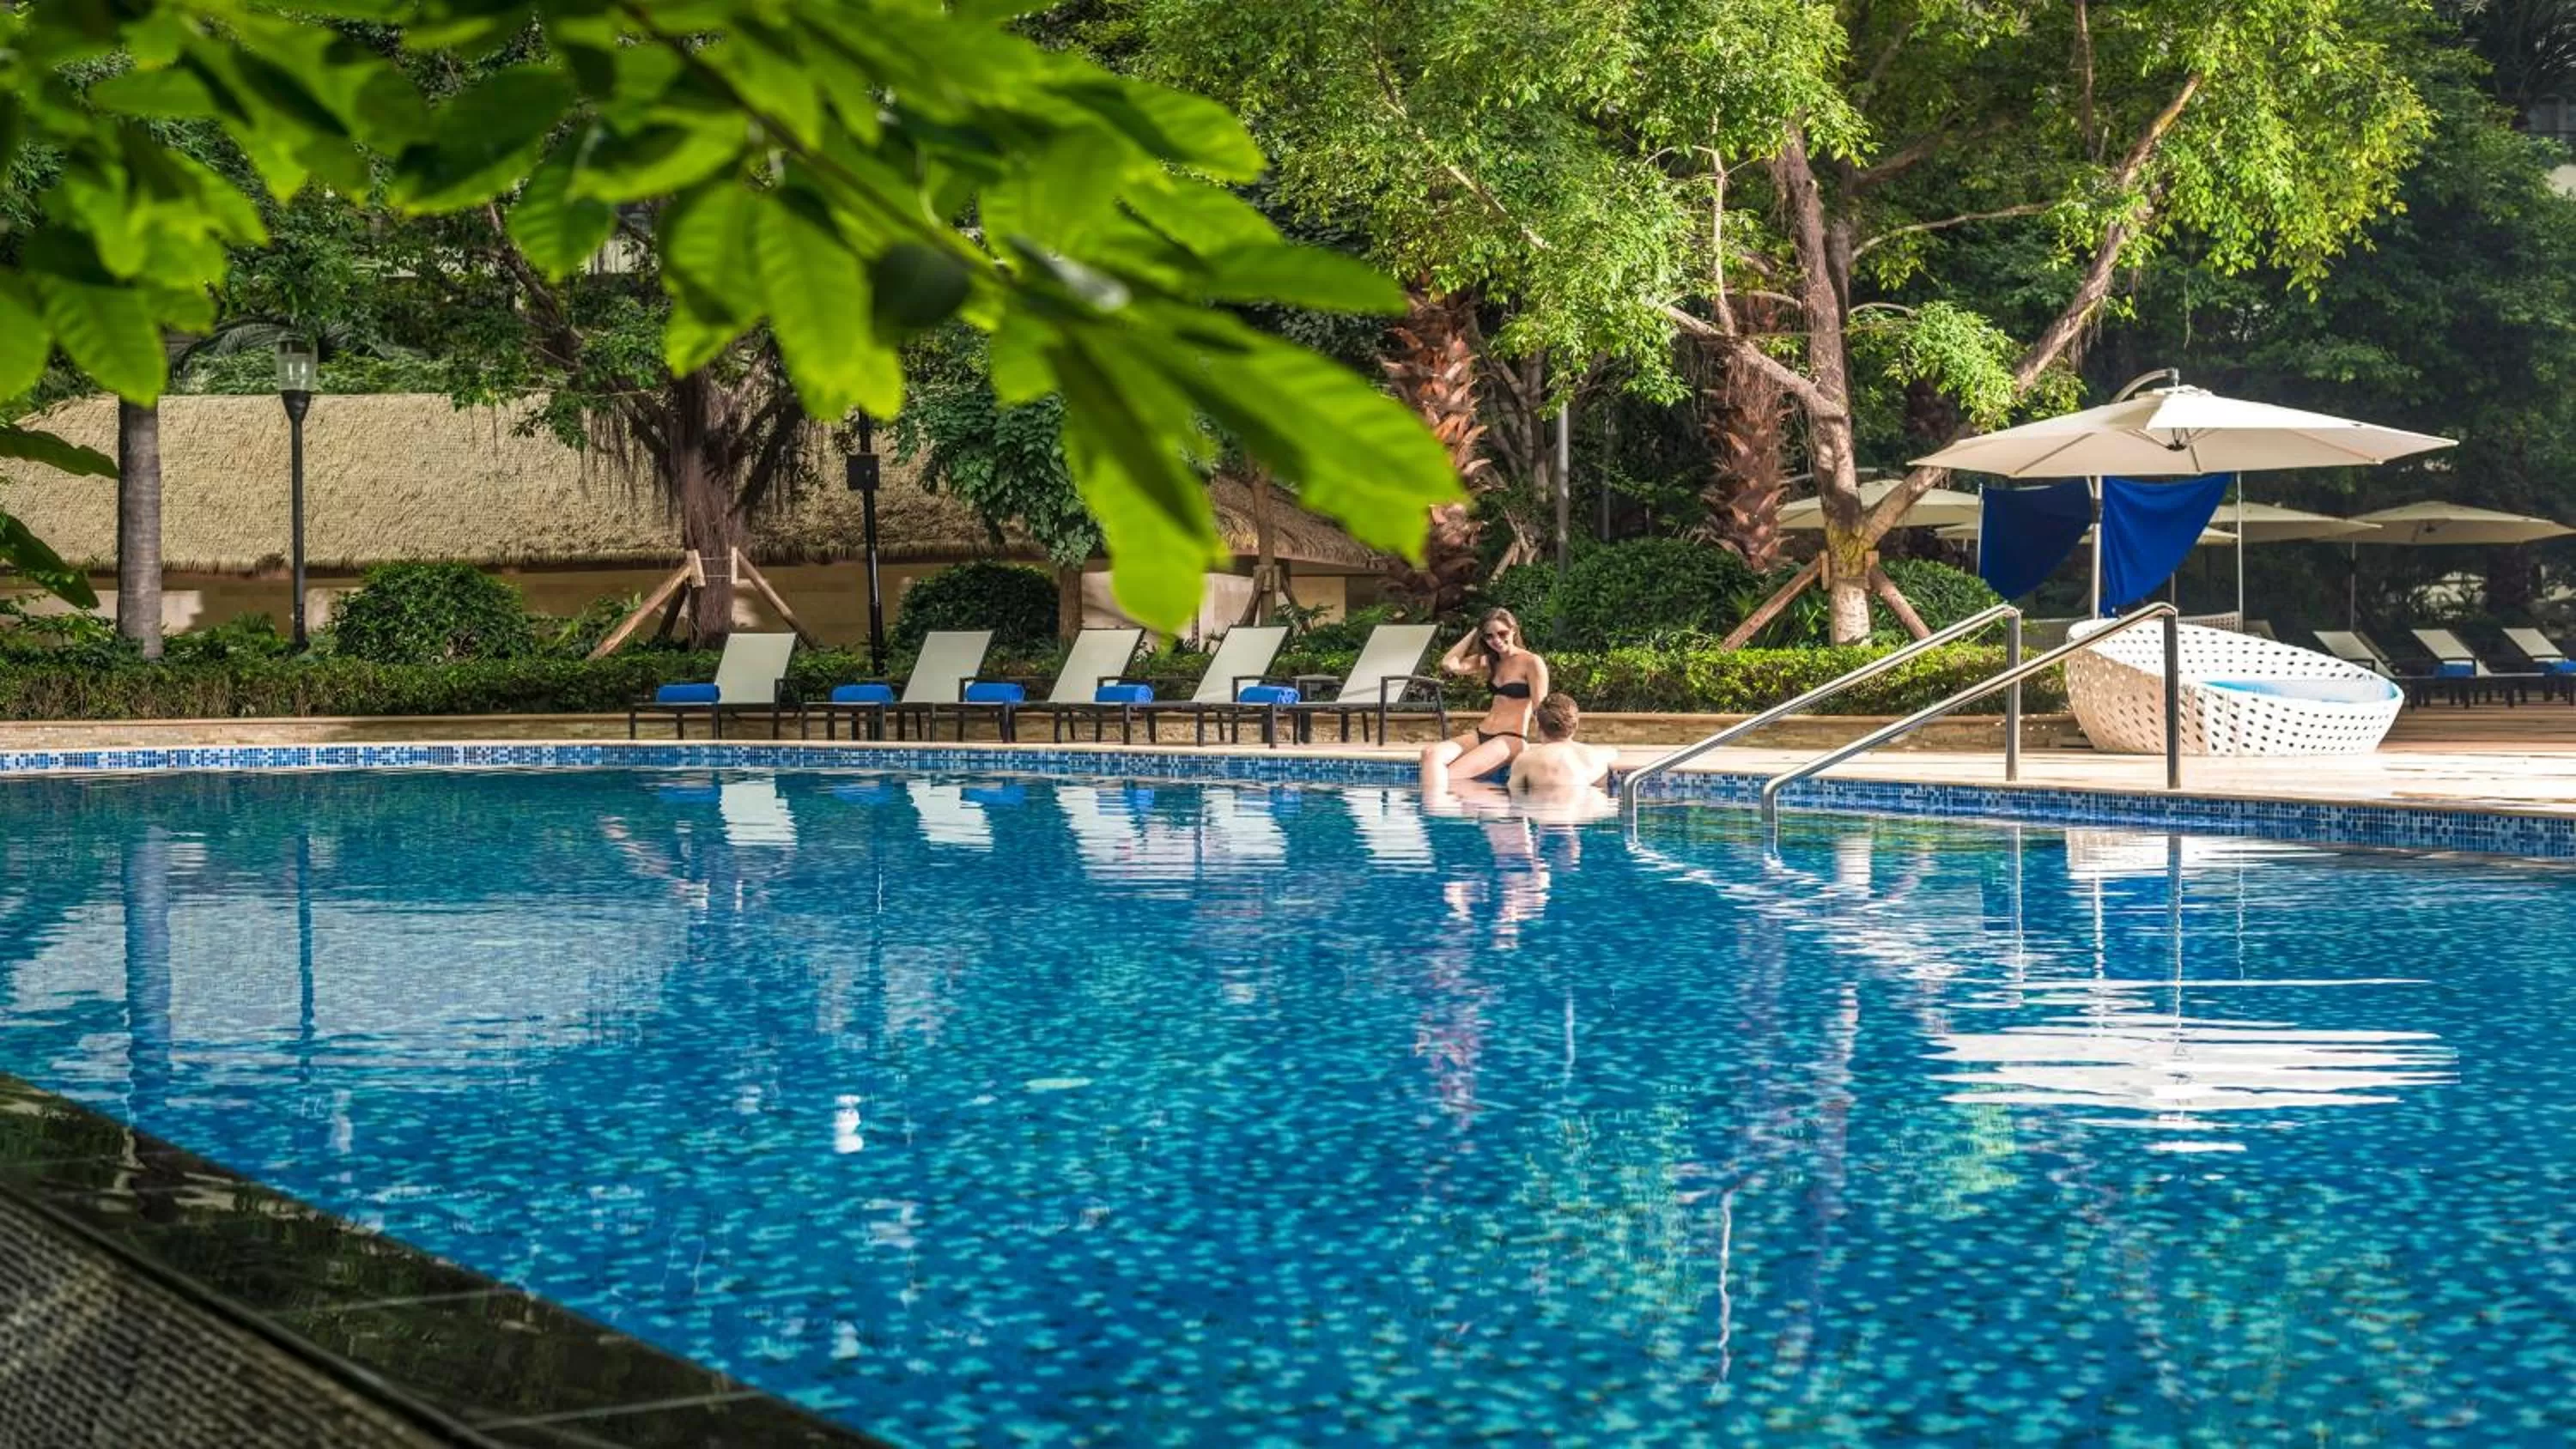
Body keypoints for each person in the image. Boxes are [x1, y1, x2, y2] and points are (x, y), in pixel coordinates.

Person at [1419, 609, 1546, 786]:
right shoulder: (1489, 660)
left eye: (1502, 633)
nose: (1497, 640)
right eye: (1489, 636)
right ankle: (1433, 811)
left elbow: (1540, 707)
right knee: (1430, 754)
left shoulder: (1531, 662)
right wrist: (1474, 632)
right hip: (1481, 734)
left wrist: (1547, 747)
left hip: (1510, 738)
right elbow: (1449, 664)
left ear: (1514, 630)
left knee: (1450, 777)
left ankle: (1439, 809)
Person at [1507, 693, 1619, 797]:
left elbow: (1515, 800)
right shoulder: (1600, 756)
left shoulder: (1525, 760)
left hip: (1543, 813)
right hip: (1584, 811)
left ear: (1539, 727)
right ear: (1576, 725)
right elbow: (1613, 756)